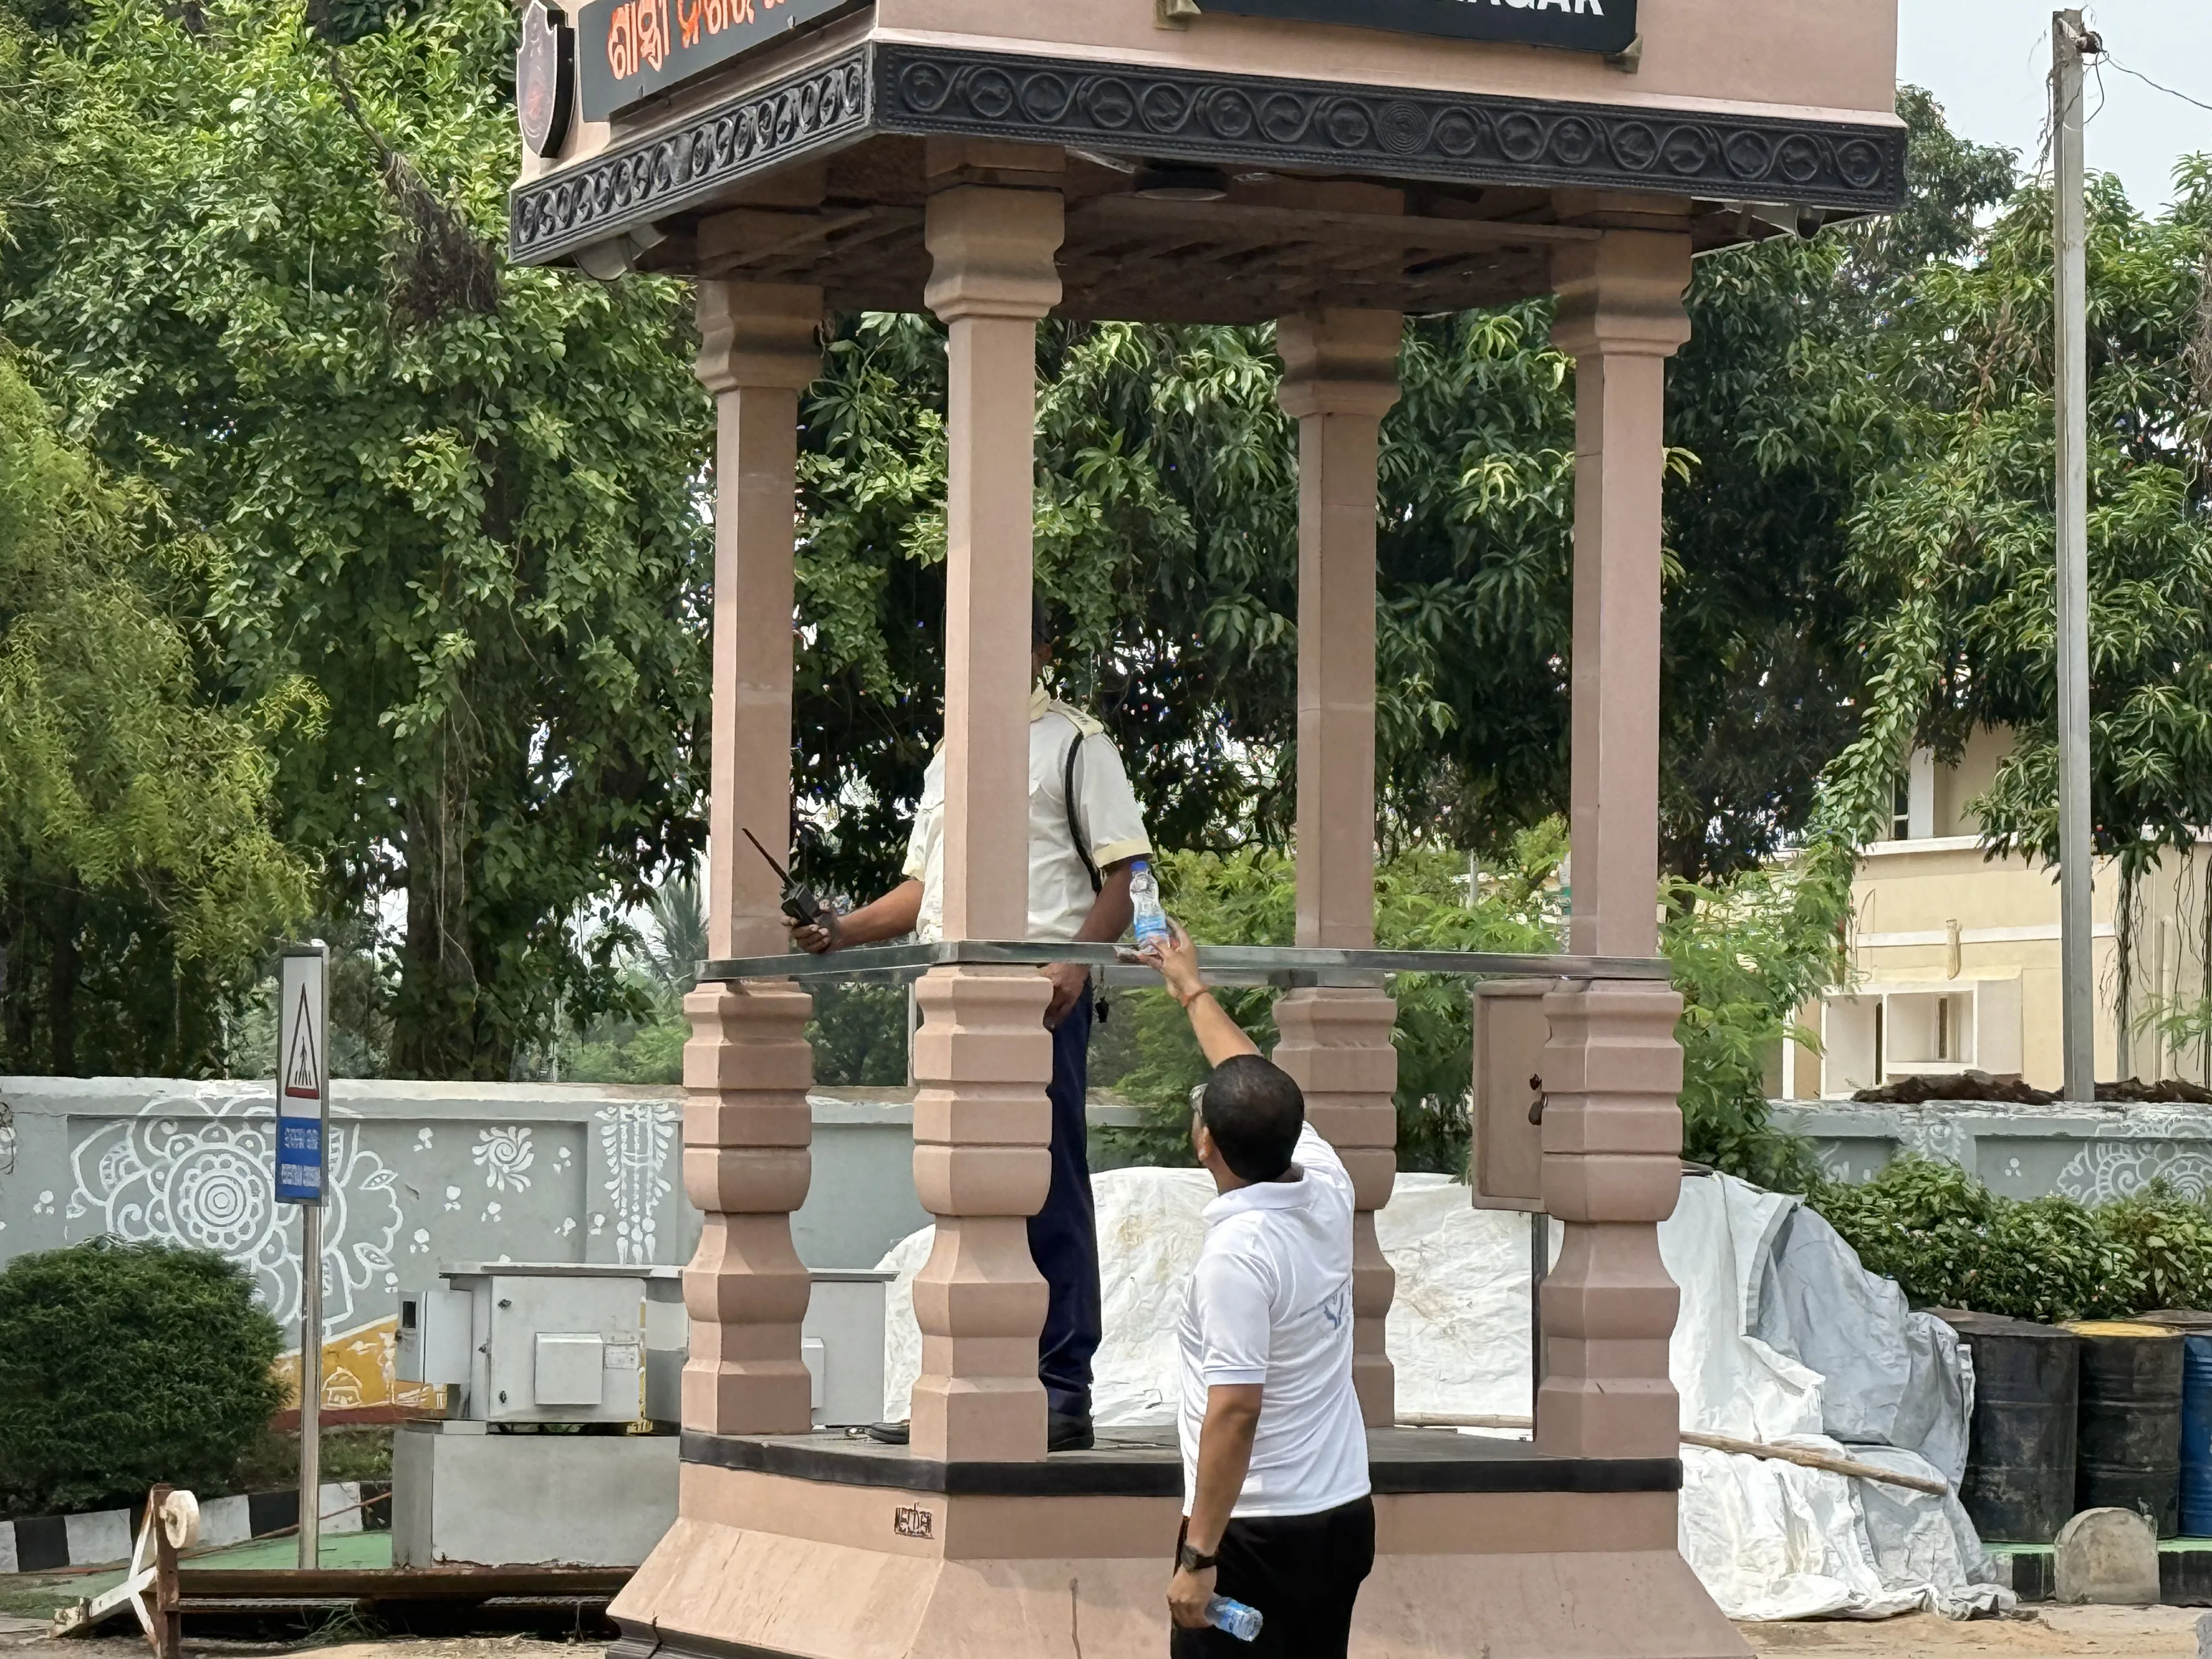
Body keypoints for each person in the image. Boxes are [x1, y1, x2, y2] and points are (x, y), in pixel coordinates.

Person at [790, 599, 1151, 1452]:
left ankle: (1062, 1389)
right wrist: (841, 931)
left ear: (1041, 647)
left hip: (1040, 1002)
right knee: (960, 1197)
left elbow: (1130, 874)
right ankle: (970, 1384)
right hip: (951, 1002)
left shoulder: (1075, 745)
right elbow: (925, 891)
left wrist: (1075, 962)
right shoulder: (949, 756)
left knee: (1047, 1188)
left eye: (1007, 642)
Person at [1139, 920, 1375, 1658]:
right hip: (1341, 1514)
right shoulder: (1326, 1184)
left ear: (1206, 1142)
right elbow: (1255, 1083)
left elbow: (1236, 1411)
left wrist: (1198, 1559)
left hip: (1258, 1533)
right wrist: (1191, 990)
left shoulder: (1237, 1258)